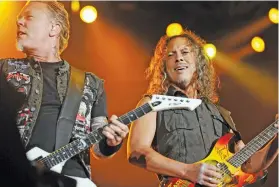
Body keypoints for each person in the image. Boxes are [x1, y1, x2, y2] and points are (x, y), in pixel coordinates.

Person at [127, 29, 278, 187]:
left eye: (185, 52)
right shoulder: (152, 103)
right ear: (164, 66)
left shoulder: (220, 114)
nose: (178, 58)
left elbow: (247, 165)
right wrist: (187, 171)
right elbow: (137, 152)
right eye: (171, 55)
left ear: (197, 62)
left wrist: (276, 141)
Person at [0, 1, 129, 187]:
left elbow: (98, 150)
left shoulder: (90, 83)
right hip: (17, 175)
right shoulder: (3, 70)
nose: (19, 22)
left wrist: (112, 142)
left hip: (73, 180)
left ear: (54, 28)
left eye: (28, 17)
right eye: (18, 18)